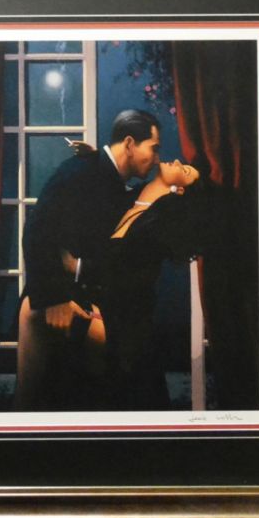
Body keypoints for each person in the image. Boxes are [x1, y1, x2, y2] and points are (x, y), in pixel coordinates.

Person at [13, 109, 161, 411]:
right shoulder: (81, 171)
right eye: (154, 148)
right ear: (130, 144)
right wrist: (54, 298)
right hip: (57, 300)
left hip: (90, 302)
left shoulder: (106, 176)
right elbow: (36, 230)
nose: (157, 159)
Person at [95, 160, 205, 411]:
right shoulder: (134, 196)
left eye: (184, 170)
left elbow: (128, 273)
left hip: (127, 322)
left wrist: (78, 268)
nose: (176, 161)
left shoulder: (162, 220)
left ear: (180, 189)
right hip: (108, 307)